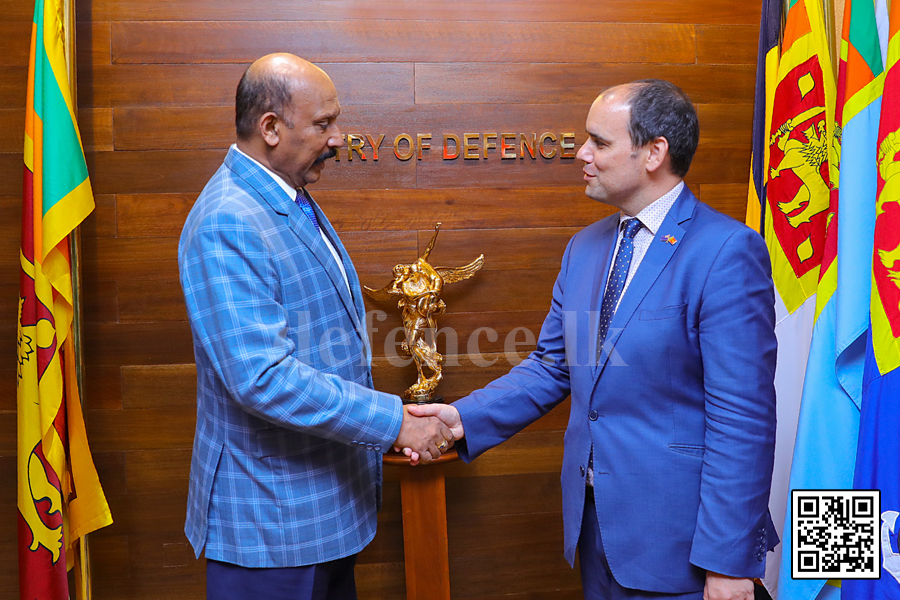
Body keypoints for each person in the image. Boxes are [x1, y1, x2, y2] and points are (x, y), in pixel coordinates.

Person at [409, 80, 778, 600]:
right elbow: (555, 365)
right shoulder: (585, 247)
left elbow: (743, 418)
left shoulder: (726, 252)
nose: (581, 153)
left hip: (685, 547)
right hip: (596, 533)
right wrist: (461, 418)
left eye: (599, 142)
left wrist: (728, 561)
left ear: (654, 153)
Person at [178, 53, 453, 600]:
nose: (338, 138)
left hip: (318, 518)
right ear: (271, 128)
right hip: (270, 527)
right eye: (324, 124)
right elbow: (262, 377)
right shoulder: (228, 219)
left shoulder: (288, 196)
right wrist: (394, 422)